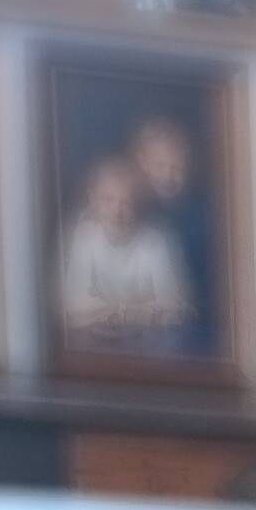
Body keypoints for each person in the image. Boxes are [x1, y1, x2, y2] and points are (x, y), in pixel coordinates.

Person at [59, 155, 193, 352]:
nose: (117, 211)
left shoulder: (154, 243)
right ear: (92, 200)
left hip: (151, 348)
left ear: (139, 205)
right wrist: (137, 310)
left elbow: (174, 309)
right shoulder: (85, 237)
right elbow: (73, 307)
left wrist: (108, 311)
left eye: (127, 203)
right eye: (107, 200)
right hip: (94, 348)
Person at [129, 112, 216, 356]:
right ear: (139, 163)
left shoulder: (202, 216)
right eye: (158, 167)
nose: (168, 177)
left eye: (176, 167)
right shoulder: (126, 211)